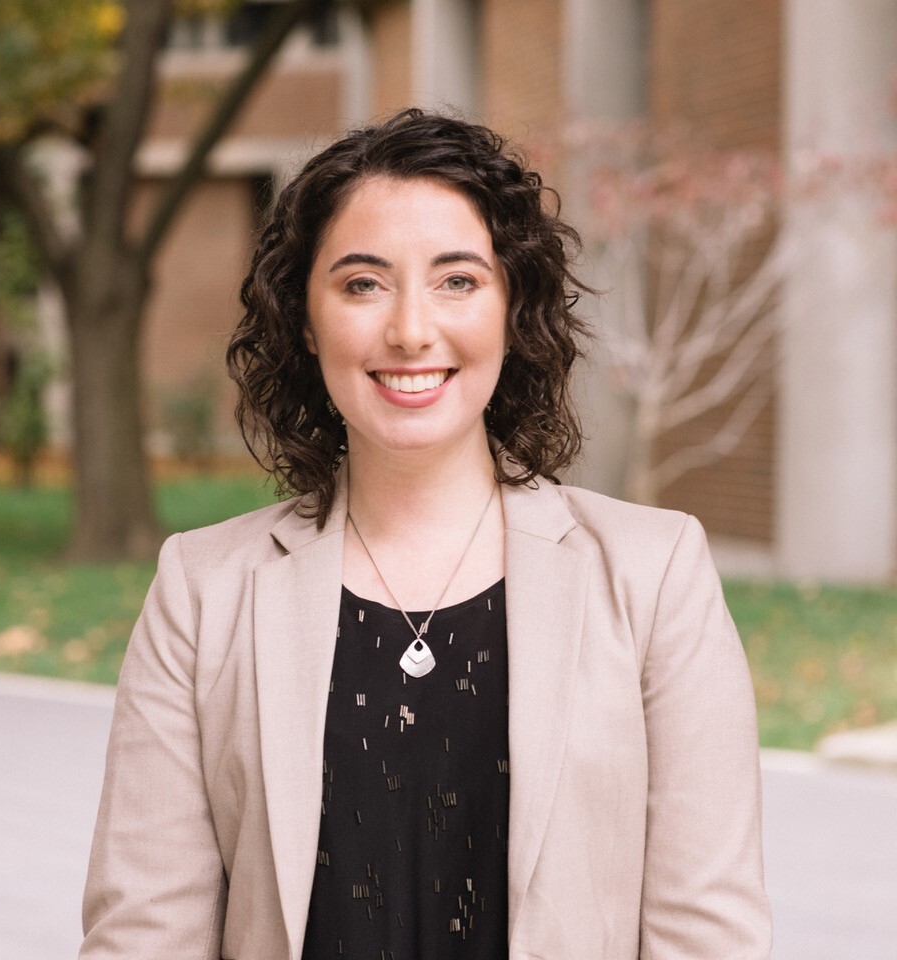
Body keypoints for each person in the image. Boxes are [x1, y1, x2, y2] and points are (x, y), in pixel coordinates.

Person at [79, 109, 771, 960]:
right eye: (363, 283)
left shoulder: (655, 574)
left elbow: (708, 933)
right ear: (304, 318)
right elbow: (144, 934)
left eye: (458, 280)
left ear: (513, 309)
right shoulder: (201, 589)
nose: (411, 329)